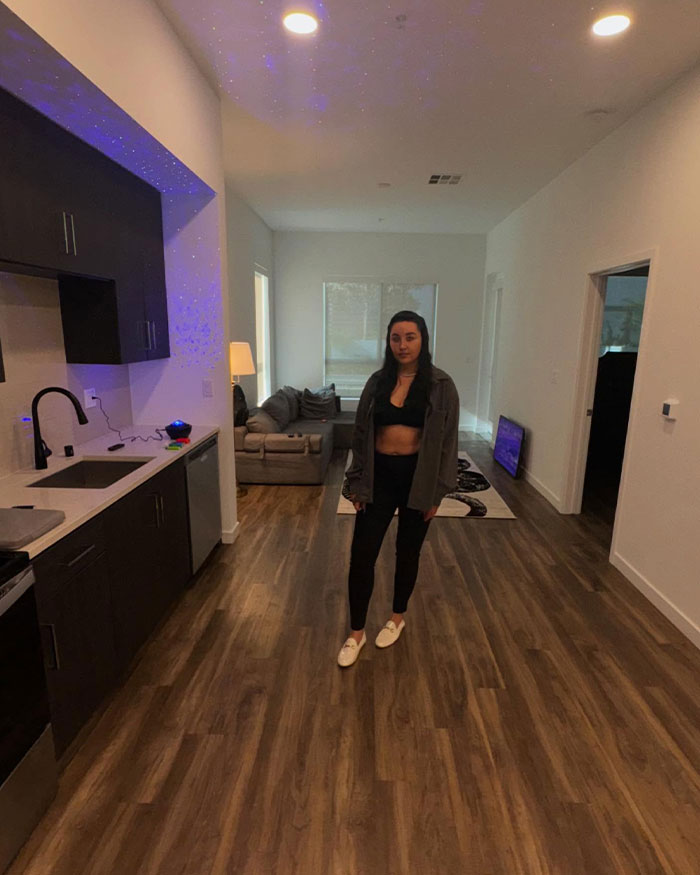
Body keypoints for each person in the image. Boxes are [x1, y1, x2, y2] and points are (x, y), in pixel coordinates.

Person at [337, 310, 460, 667]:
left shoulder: (441, 385)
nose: (402, 345)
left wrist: (437, 493)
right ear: (388, 342)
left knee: (407, 552)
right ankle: (355, 634)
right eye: (395, 338)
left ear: (423, 339)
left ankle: (396, 618)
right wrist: (357, 482)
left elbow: (447, 442)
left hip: (417, 478)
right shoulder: (377, 382)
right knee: (362, 556)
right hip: (378, 476)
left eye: (410, 337)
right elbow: (361, 435)